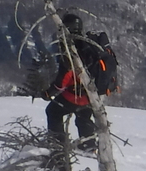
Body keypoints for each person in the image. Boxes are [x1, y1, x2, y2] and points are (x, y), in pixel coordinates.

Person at [44, 12, 108, 146]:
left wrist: (49, 93)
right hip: (93, 95)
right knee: (83, 117)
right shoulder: (88, 44)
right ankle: (89, 146)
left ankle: (57, 143)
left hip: (76, 95)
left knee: (53, 111)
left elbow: (65, 77)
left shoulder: (70, 48)